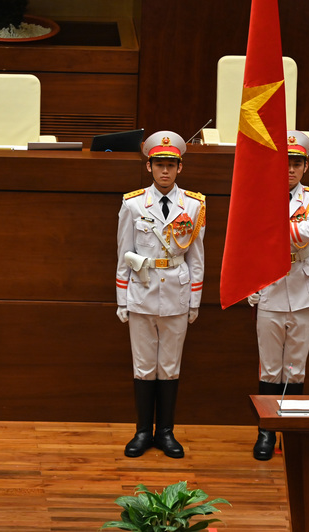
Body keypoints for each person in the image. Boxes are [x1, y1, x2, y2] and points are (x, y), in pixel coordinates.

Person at [115, 131, 205, 459]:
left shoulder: (193, 205)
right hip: (142, 291)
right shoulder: (134, 203)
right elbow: (124, 253)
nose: (164, 171)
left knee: (169, 366)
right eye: (159, 164)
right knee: (143, 365)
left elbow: (197, 257)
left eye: (170, 165)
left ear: (180, 168)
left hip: (177, 294)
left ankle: (165, 432)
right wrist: (121, 298)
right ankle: (142, 431)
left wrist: (194, 300)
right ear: (148, 166)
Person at [249, 131, 309, 461]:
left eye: (297, 163)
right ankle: (267, 431)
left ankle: (291, 431)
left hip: (303, 286)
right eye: (286, 163)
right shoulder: (259, 194)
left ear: (305, 166)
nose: (291, 170)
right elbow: (249, 238)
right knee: (269, 367)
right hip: (269, 283)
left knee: (296, 367)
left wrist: (274, 228)